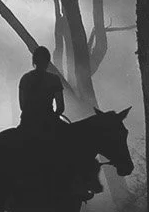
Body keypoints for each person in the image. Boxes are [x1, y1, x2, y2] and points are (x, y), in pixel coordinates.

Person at [17, 46, 98, 202]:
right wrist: (52, 115)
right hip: (49, 122)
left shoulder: (25, 79)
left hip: (27, 123)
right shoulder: (53, 80)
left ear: (34, 61)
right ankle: (79, 185)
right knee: (73, 148)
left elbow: (22, 105)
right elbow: (60, 107)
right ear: (47, 62)